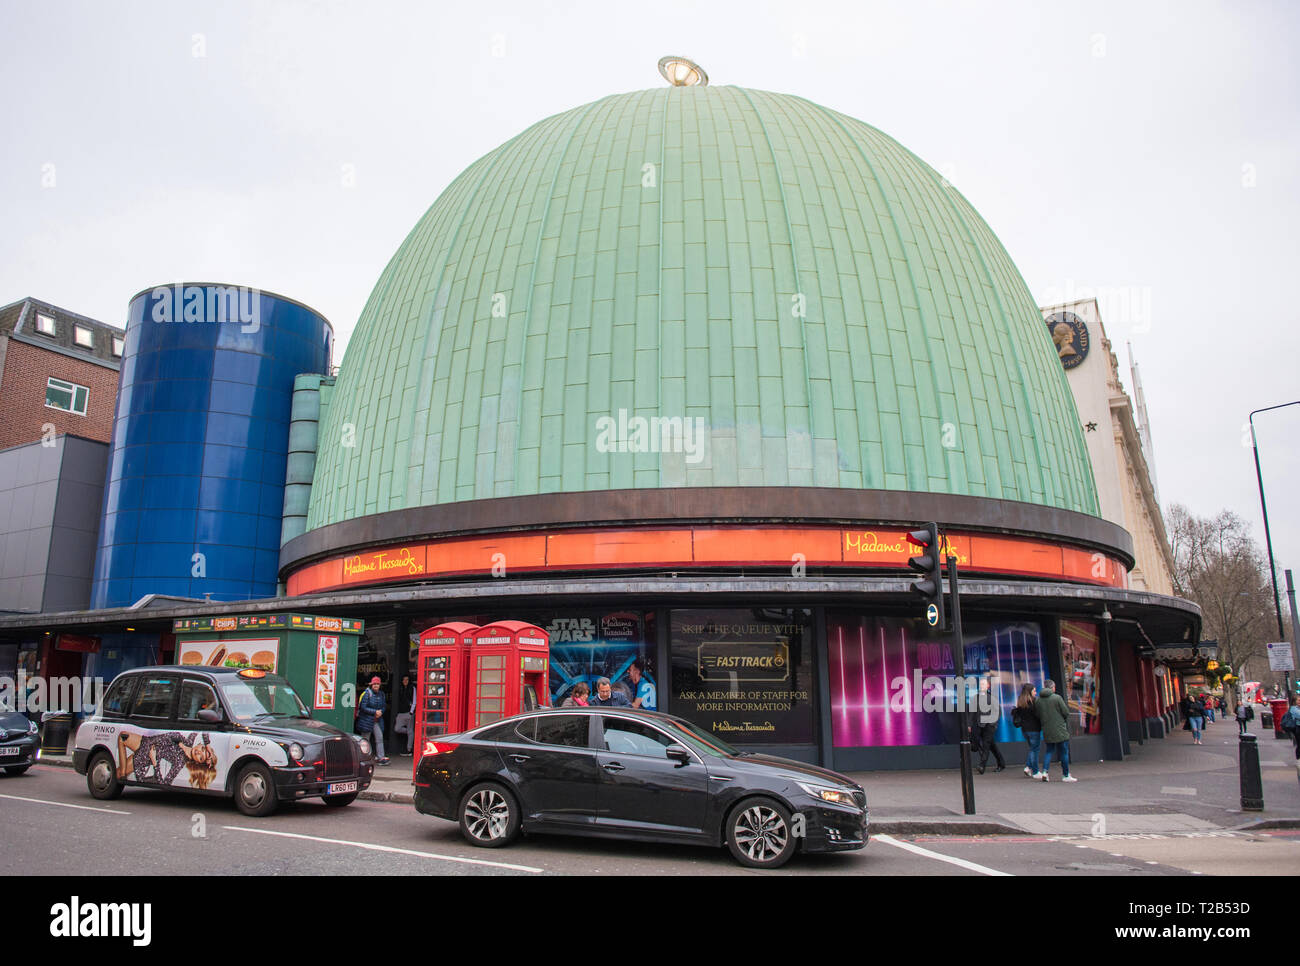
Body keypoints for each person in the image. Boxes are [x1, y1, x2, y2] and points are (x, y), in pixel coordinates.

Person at [1035, 679, 1075, 782]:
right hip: (1060, 729)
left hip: (1047, 729)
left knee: (1049, 751)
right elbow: (1065, 712)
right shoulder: (1057, 698)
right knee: (1064, 752)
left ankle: (1045, 771)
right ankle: (1066, 775)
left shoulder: (1038, 700)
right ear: (1052, 687)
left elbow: (1038, 715)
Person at [975, 674, 1005, 774]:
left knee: (986, 745)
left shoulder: (992, 698)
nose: (981, 686)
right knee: (991, 745)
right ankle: (1001, 763)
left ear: (988, 686)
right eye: (980, 684)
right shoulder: (977, 697)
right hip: (981, 725)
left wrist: (992, 723)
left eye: (983, 684)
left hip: (989, 726)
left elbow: (998, 712)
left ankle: (982, 765)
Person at [1012, 683, 1042, 778]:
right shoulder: (1034, 702)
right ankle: (1035, 771)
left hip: (1025, 730)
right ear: (1029, 692)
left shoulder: (1021, 702)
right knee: (1035, 750)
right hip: (1034, 729)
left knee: (1032, 749)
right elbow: (1038, 715)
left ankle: (1028, 767)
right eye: (1034, 690)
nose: (1035, 692)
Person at [357, 676, 389, 764]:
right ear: (371, 685)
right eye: (374, 684)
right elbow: (363, 707)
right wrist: (375, 712)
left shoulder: (381, 694)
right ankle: (363, 758)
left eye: (377, 684)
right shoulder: (367, 693)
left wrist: (381, 712)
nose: (376, 685)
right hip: (366, 721)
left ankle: (381, 758)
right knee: (365, 740)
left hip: (376, 721)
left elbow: (383, 706)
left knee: (379, 738)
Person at [393, 674, 416, 756]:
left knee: (410, 731)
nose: (405, 681)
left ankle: (409, 750)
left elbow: (414, 701)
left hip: (409, 713)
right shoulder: (400, 688)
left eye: (407, 679)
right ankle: (412, 734)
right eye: (404, 679)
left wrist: (411, 712)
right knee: (397, 728)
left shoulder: (412, 688)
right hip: (401, 713)